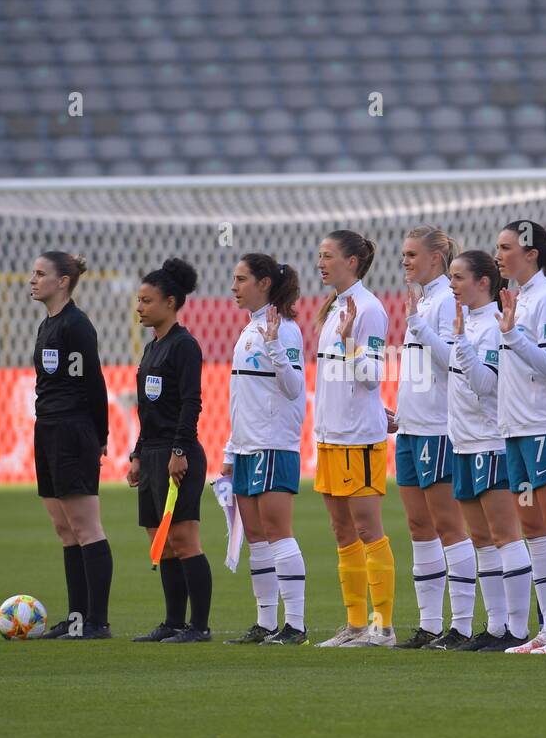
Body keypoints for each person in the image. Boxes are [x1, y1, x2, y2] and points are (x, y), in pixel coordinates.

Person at [312, 230, 398, 648]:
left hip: (358, 439)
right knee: (341, 530)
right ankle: (356, 624)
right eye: (319, 256)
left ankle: (383, 626)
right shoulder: (334, 308)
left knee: (368, 529)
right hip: (330, 434)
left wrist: (348, 343)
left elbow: (371, 375)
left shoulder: (369, 309)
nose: (320, 263)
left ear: (352, 261)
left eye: (328, 256)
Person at [392, 226, 474, 649]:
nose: (404, 261)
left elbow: (452, 362)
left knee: (448, 526)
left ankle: (460, 625)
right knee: (419, 526)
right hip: (411, 429)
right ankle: (429, 625)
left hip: (439, 431)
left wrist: (418, 327)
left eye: (411, 254)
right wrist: (401, 414)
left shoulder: (445, 301)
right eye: (403, 255)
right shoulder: (423, 301)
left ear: (436, 258)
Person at [493, 220, 546, 653]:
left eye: (506, 247)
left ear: (531, 255)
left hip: (543, 429)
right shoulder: (516, 299)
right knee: (533, 530)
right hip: (516, 431)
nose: (499, 254)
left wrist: (512, 334)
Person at [220, 252, 309, 646]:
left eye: (241, 279)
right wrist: (229, 448)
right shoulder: (249, 328)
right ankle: (266, 623)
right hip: (246, 446)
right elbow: (245, 395)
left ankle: (296, 625)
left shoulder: (284, 329)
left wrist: (274, 347)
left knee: (277, 531)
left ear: (264, 284)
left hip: (274, 444)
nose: (234, 287)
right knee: (255, 535)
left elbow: (294, 390)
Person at [443, 250, 527, 652]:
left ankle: (517, 626)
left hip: (491, 443)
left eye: (459, 277)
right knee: (480, 539)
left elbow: (485, 385)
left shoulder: (493, 326)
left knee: (506, 536)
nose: (452, 285)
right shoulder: (466, 323)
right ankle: (494, 627)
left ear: (483, 282)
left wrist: (460, 342)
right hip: (463, 441)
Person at [29, 251, 114, 640]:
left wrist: (100, 435)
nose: (33, 279)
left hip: (72, 430)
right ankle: (77, 619)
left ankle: (97, 622)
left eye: (41, 273)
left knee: (86, 527)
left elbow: (93, 384)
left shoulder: (76, 325)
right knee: (64, 529)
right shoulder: (48, 325)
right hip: (46, 429)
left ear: (63, 281)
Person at [129, 259, 214, 644]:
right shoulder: (151, 349)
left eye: (147, 301)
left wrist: (178, 450)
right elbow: (146, 410)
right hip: (151, 454)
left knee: (184, 540)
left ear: (171, 302)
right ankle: (173, 622)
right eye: (139, 300)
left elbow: (191, 403)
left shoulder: (185, 346)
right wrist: (136, 454)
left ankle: (199, 626)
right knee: (160, 542)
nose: (140, 307)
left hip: (176, 454)